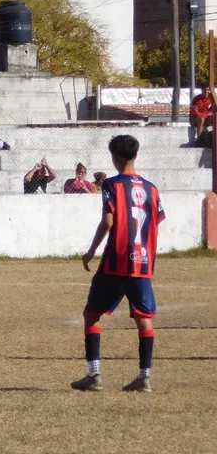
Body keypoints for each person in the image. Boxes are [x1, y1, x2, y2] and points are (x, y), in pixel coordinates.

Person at [72, 135, 164, 394]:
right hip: (143, 263)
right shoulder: (152, 188)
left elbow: (109, 222)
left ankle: (94, 375)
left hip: (116, 261)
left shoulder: (112, 184)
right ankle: (144, 377)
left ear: (115, 158)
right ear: (135, 155)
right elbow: (156, 221)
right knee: (144, 319)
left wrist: (91, 251)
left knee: (92, 314)